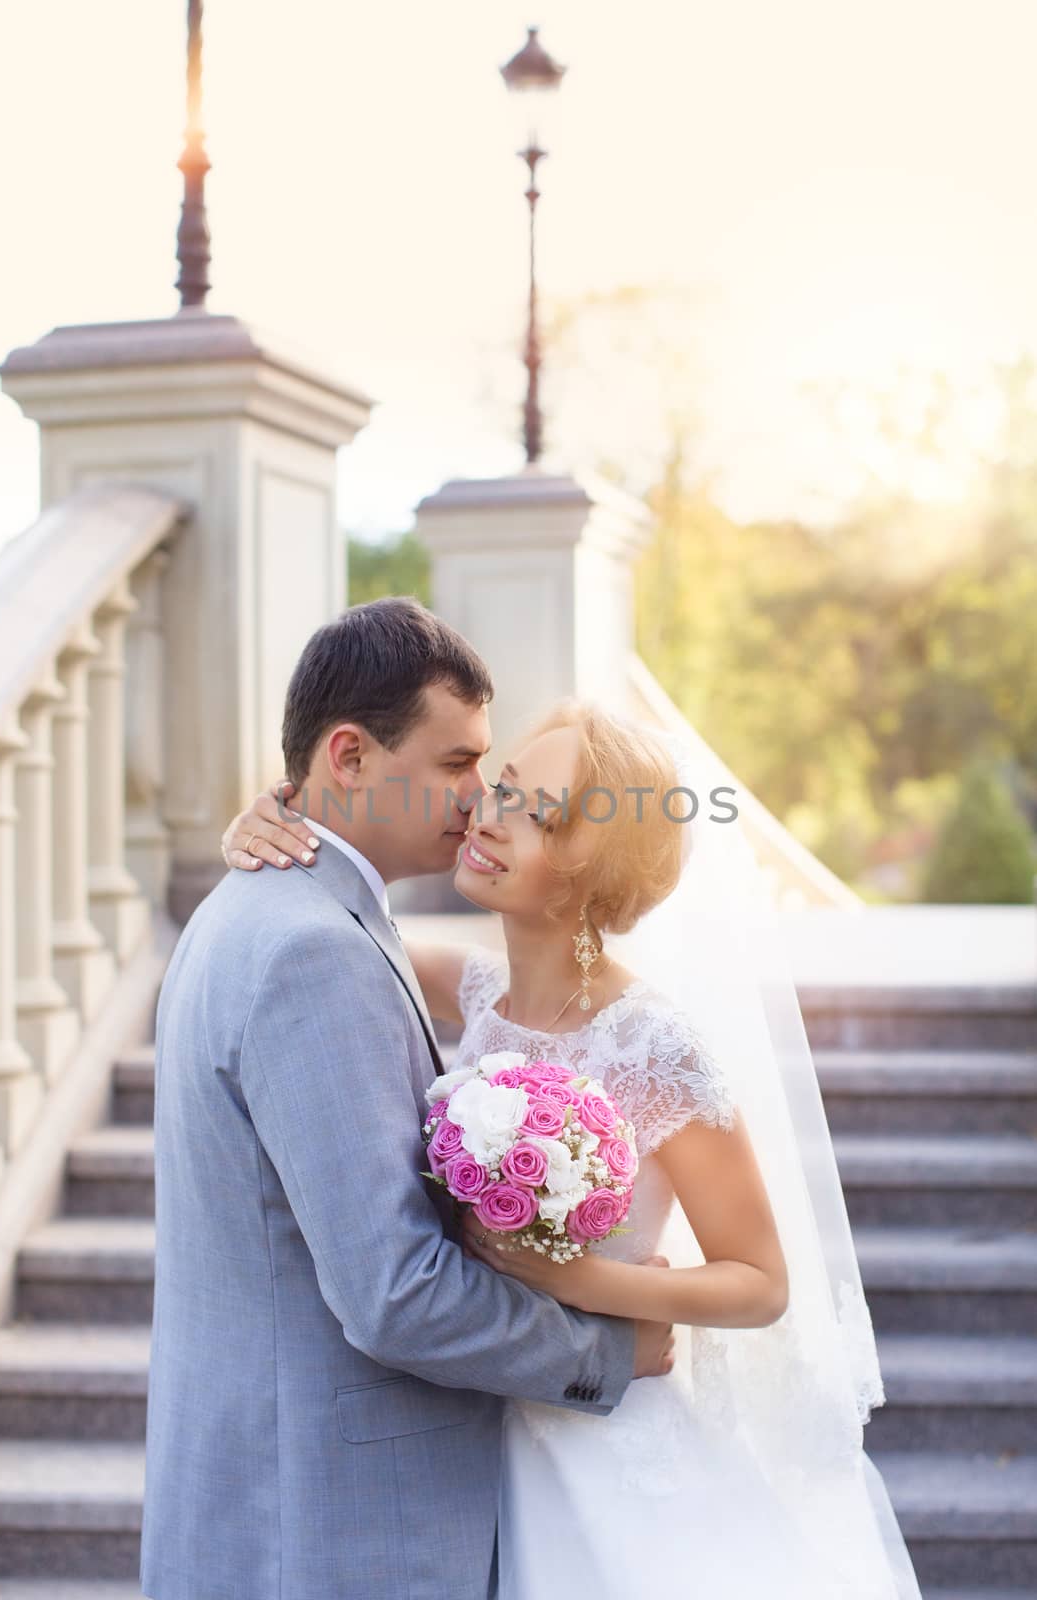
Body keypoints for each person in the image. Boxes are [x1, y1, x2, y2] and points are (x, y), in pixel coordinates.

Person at [225, 687, 923, 1599]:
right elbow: (339, 922)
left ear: (598, 870)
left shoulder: (654, 1047)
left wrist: (578, 1281)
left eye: (537, 814)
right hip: (475, 1436)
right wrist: (268, 820)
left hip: (612, 1456)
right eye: (502, 786)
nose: (489, 816)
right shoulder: (463, 987)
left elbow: (760, 1284)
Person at [140, 598, 677, 1600]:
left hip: (278, 1505)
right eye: (453, 764)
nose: (477, 799)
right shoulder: (311, 950)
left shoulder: (265, 906)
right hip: (334, 1527)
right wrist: (602, 1351)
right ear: (347, 756)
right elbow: (394, 1295)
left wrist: (279, 801)